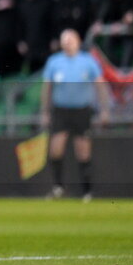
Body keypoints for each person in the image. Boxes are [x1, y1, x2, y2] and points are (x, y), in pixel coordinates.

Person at [40, 28, 110, 202]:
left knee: (83, 152)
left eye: (70, 39)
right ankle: (58, 188)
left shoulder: (88, 61)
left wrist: (104, 109)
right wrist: (45, 111)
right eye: (64, 40)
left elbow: (100, 85)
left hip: (82, 110)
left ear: (78, 41)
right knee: (55, 149)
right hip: (61, 111)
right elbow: (47, 88)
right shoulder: (54, 62)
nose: (67, 43)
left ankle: (87, 191)